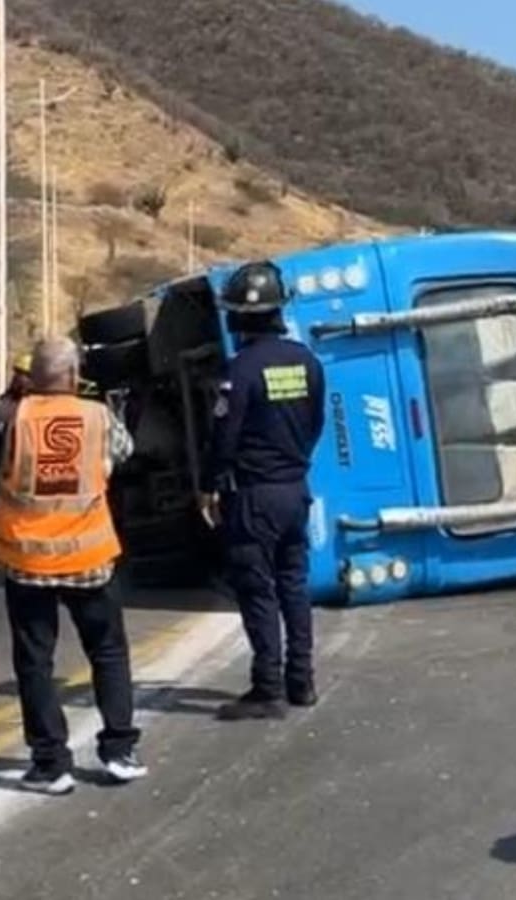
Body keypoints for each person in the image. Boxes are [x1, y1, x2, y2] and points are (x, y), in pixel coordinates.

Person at [0, 337, 145, 794]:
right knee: (108, 652)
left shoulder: (8, 418)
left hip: (27, 560)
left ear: (30, 377)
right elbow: (125, 453)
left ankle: (50, 763)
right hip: (89, 558)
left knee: (35, 662)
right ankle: (118, 749)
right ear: (75, 377)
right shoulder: (98, 417)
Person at [199, 261, 326, 721]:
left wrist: (212, 485)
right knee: (294, 585)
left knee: (257, 590)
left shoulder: (239, 370)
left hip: (253, 496)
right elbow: (315, 425)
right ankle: (302, 681)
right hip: (295, 490)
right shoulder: (307, 362)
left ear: (239, 317)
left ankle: (267, 688)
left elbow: (224, 437)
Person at [0, 353, 34, 510]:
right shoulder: (4, 404)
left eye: (27, 375)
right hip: (5, 468)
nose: (21, 379)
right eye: (19, 373)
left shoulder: (42, 405)